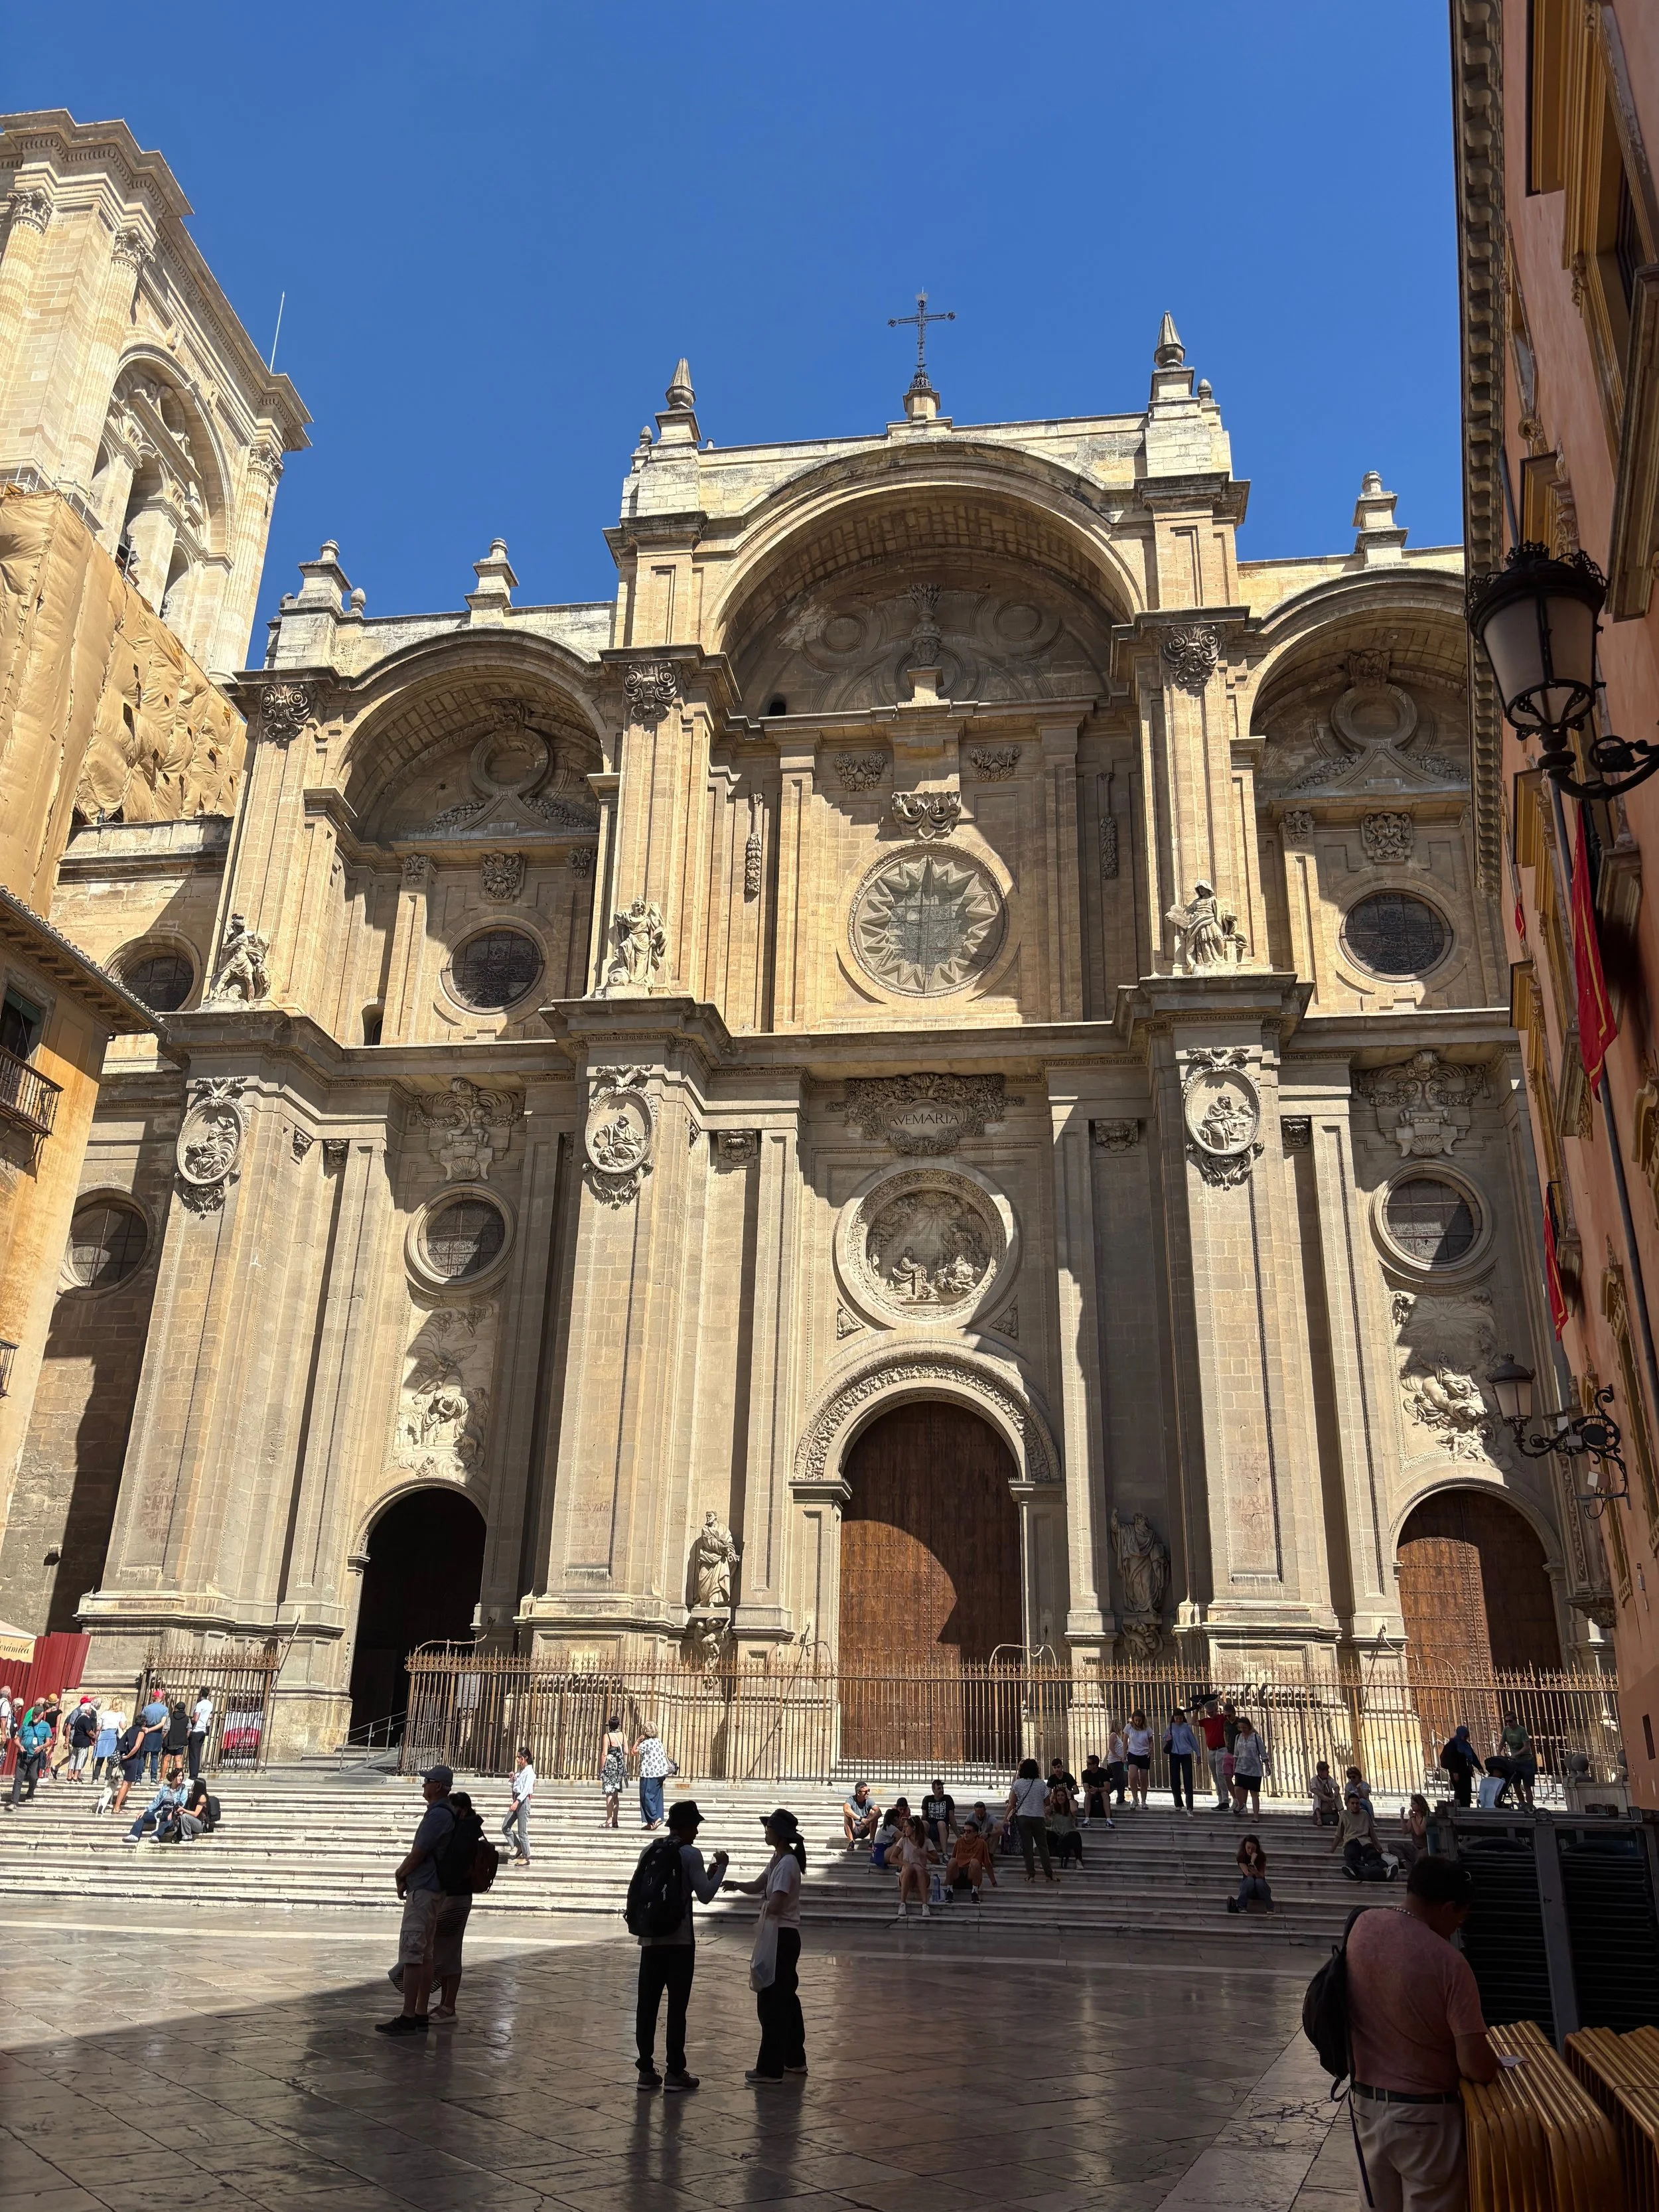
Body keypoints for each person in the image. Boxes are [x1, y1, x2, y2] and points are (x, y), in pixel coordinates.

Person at [1344, 1856, 1498, 2208]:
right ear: (1448, 1908)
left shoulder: (1362, 1927)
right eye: (1461, 1915)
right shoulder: (1449, 1963)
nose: (1460, 1924)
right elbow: (1475, 2065)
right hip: (1424, 2118)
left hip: (1366, 2104)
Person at [634, 1797, 727, 2092]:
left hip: (650, 1941)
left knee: (646, 2006)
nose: (697, 1832)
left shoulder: (650, 1849)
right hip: (679, 1943)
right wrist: (721, 1867)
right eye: (695, 1826)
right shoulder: (690, 1854)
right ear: (685, 1828)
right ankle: (675, 2070)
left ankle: (646, 2069)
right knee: (677, 2008)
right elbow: (706, 1894)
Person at [378, 1763, 470, 2035]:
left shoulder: (438, 1815)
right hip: (434, 1889)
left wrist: (400, 1874)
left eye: (428, 1781)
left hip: (425, 1890)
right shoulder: (444, 1814)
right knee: (425, 1954)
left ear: (439, 1786)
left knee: (413, 1954)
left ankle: (409, 2015)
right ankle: (419, 2012)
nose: (423, 1785)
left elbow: (419, 1853)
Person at [728, 1808, 806, 2085]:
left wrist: (763, 1906)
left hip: (781, 1937)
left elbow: (776, 1902)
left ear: (780, 1834)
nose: (766, 1831)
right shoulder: (777, 1860)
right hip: (779, 1935)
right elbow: (759, 1885)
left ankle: (770, 2067)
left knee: (771, 2002)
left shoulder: (787, 1865)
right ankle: (794, 2058)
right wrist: (736, 1885)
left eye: (769, 1828)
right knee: (786, 1999)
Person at [1007, 1758, 1056, 1883]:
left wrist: (1005, 1818)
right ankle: (1048, 1874)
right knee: (1043, 1846)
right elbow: (1047, 1802)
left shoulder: (1018, 1784)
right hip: (1038, 1817)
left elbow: (1012, 1803)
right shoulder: (1041, 1784)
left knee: (1027, 1847)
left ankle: (1031, 1874)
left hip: (1023, 1817)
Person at [121, 1757, 189, 1842]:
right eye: (179, 1776)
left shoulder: (183, 1789)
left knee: (170, 1821)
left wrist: (172, 1812)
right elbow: (156, 1802)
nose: (181, 1778)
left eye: (182, 1776)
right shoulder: (165, 1788)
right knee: (142, 1817)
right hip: (162, 1811)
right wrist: (145, 1810)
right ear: (174, 1777)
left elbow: (181, 1803)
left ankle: (156, 1835)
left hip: (174, 1813)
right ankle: (134, 1835)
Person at [1333, 1789, 1390, 1881]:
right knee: (1351, 1854)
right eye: (1353, 1803)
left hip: (1365, 1841)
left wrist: (1379, 1848)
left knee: (1372, 1855)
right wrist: (1332, 1850)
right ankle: (1355, 1870)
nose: (1355, 1806)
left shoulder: (1365, 1814)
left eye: (1357, 1803)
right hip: (1351, 1841)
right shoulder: (1344, 1815)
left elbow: (1372, 1833)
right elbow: (1339, 1834)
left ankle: (1384, 1870)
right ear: (1348, 1804)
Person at [945, 1808, 998, 1901]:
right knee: (952, 1861)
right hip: (958, 1875)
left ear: (976, 1833)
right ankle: (949, 1890)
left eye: (969, 1832)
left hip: (972, 1875)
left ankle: (974, 1892)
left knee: (975, 1862)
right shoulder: (959, 1841)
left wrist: (994, 1883)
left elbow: (987, 1864)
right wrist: (947, 1880)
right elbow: (952, 1861)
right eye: (964, 1831)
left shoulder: (981, 1843)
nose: (966, 1834)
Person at [6, 1701, 52, 1806]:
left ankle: (30, 1794)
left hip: (35, 1757)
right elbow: (17, 1739)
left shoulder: (45, 1726)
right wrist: (20, 1746)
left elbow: (49, 1741)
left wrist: (41, 1747)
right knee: (18, 1779)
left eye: (37, 1714)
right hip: (23, 1755)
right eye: (34, 1714)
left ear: (41, 1715)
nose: (35, 1716)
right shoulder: (27, 1724)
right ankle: (14, 1802)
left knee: (33, 1777)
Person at [632, 1726, 674, 1830]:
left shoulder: (646, 1744)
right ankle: (652, 1822)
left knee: (646, 1796)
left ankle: (654, 1818)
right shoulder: (658, 1742)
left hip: (649, 1774)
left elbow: (633, 1752)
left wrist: (638, 1741)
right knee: (657, 1797)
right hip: (660, 1773)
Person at [500, 1745, 535, 1866]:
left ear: (526, 1758)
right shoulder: (521, 1772)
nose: (518, 1760)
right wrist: (512, 1779)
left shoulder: (530, 1773)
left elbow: (526, 1790)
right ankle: (518, 1846)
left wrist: (517, 1802)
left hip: (523, 1802)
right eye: (518, 1757)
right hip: (516, 1799)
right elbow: (515, 1786)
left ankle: (526, 1857)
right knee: (505, 1827)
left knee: (522, 1831)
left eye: (520, 1757)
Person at [111, 1716, 147, 1818]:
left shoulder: (130, 1730)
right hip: (133, 1759)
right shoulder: (141, 1732)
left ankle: (120, 1801)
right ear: (144, 1723)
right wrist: (129, 1755)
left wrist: (124, 1756)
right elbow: (136, 1746)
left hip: (125, 1759)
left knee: (130, 1783)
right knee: (126, 1784)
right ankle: (116, 1807)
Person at [1165, 1706, 1200, 1812]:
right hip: (1174, 1754)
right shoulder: (1170, 1726)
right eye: (1177, 1718)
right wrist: (1167, 1739)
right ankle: (1178, 1803)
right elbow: (1165, 1736)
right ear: (1174, 1718)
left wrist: (1198, 1754)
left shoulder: (1186, 1727)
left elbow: (1193, 1740)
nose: (1179, 1720)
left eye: (1180, 1718)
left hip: (1186, 1755)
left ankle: (1190, 1806)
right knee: (1175, 1780)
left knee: (1188, 1779)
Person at [1228, 1834, 1272, 1915]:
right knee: (1250, 1880)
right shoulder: (1241, 1857)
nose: (1250, 1851)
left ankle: (1270, 1907)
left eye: (1253, 1849)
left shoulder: (1261, 1857)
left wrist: (1256, 1872)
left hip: (1261, 1889)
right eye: (1248, 1848)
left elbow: (1262, 1876)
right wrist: (1252, 1861)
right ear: (1244, 1847)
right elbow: (1247, 1874)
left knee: (1259, 1881)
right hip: (1248, 1888)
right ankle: (1241, 1906)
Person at [1230, 1716, 1265, 1816]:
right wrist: (1234, 1765)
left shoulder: (1255, 1737)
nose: (1242, 1730)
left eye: (1244, 1727)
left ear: (1249, 1727)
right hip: (1241, 1767)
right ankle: (1241, 1804)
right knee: (1237, 1788)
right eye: (1240, 1728)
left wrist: (1267, 1764)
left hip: (1254, 1769)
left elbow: (1263, 1752)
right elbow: (1236, 1753)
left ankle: (1256, 1815)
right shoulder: (1238, 1737)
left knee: (1254, 1793)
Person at [1499, 1716, 1537, 1808]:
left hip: (1526, 1761)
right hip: (1515, 1762)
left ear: (1515, 1720)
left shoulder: (1521, 1730)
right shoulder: (1506, 1730)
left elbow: (1527, 1746)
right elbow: (1502, 1742)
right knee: (1516, 1785)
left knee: (1527, 1786)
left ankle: (1530, 1806)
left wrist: (1516, 1754)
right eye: (1507, 1722)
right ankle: (1522, 1804)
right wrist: (1498, 1752)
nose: (1508, 1723)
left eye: (1510, 1721)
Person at [1045, 1777, 1083, 1866]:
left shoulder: (1071, 1805)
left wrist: (1070, 1798)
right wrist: (1052, 1798)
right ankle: (1046, 1861)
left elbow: (1074, 1811)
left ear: (1066, 1796)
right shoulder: (1054, 1807)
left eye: (1062, 1795)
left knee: (1076, 1835)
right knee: (1046, 1834)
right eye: (1058, 1796)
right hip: (1057, 1836)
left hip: (1067, 1836)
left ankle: (1079, 1861)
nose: (1060, 1798)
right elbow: (1046, 1811)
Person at [1200, 1700, 1230, 1809]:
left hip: (1221, 1750)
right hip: (1211, 1751)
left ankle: (1226, 1800)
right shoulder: (1206, 1721)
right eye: (1208, 1712)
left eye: (1212, 1712)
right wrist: (1198, 1707)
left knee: (1221, 1775)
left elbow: (1228, 1710)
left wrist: (1219, 1700)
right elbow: (1194, 1722)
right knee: (1215, 1777)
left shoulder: (1221, 1718)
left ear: (1216, 1710)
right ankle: (1221, 1800)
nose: (1210, 1714)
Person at [1440, 1726, 1478, 1808]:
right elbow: (1450, 1759)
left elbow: (1472, 1756)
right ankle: (1459, 1808)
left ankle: (1466, 1808)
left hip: (1466, 1772)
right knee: (1460, 1791)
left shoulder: (1466, 1745)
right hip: (1456, 1773)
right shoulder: (1452, 1745)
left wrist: (1480, 1767)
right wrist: (1454, 1772)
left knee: (1467, 1791)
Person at [136, 1688, 168, 1785]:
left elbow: (142, 1721)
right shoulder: (164, 1709)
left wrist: (147, 1729)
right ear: (161, 1698)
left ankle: (138, 1778)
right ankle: (153, 1778)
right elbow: (162, 1723)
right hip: (157, 1733)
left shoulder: (147, 1708)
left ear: (153, 1698)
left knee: (143, 1756)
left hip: (146, 1731)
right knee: (154, 1757)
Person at [600, 1714, 626, 1828]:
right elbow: (626, 1751)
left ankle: (609, 1820)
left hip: (610, 1765)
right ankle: (615, 1820)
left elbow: (604, 1753)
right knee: (615, 1794)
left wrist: (602, 1768)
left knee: (609, 1793)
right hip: (619, 1765)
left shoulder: (607, 1736)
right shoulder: (623, 1735)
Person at [1396, 1795, 1431, 1874]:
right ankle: (1405, 1863)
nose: (1411, 1805)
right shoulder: (1413, 1817)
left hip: (1424, 1849)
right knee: (1393, 1845)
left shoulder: (1426, 1817)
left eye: (1414, 1804)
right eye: (1411, 1804)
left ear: (1420, 1804)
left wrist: (1412, 1817)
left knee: (1421, 1857)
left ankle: (1414, 1868)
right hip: (1414, 1848)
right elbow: (1405, 1831)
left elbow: (1419, 1832)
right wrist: (1402, 1816)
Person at [870, 1798, 908, 1871]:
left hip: (878, 1854)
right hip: (881, 1855)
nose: (900, 1819)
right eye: (898, 1818)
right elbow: (904, 1837)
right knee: (901, 1844)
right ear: (895, 1818)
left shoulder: (887, 1827)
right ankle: (901, 1868)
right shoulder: (890, 1827)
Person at [1125, 1711, 1153, 1807]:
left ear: (1143, 1720)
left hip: (1144, 1754)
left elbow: (1151, 1741)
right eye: (1136, 1720)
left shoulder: (1148, 1729)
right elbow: (1125, 1741)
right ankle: (1135, 1798)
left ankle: (1144, 1801)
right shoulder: (1129, 1727)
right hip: (1132, 1754)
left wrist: (1150, 1749)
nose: (1138, 1722)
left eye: (1139, 1720)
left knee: (1144, 1778)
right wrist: (1123, 1754)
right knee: (1133, 1776)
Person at [93, 1699, 125, 1783]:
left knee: (100, 1758)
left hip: (103, 1735)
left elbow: (98, 1728)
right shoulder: (121, 1714)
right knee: (111, 1759)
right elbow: (122, 1726)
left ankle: (95, 1779)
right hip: (114, 1735)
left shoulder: (105, 1713)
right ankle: (107, 1779)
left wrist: (96, 1739)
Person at [921, 1778, 956, 1855]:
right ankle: (924, 1850)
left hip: (942, 1828)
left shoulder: (948, 1799)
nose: (942, 1791)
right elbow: (924, 1816)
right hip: (930, 1829)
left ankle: (945, 1854)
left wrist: (958, 1836)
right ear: (933, 1790)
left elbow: (952, 1819)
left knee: (941, 1823)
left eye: (942, 1788)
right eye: (939, 1789)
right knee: (923, 1823)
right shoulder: (927, 1799)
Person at [187, 1686, 214, 1781]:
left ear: (201, 1694)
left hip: (196, 1730)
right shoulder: (210, 1704)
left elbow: (195, 1718)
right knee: (197, 1753)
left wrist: (190, 1720)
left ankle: (193, 1776)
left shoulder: (200, 1704)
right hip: (203, 1730)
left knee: (193, 1754)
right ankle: (195, 1773)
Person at [842, 1781, 879, 1848]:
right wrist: (861, 1819)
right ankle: (851, 1842)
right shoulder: (851, 1800)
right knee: (847, 1815)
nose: (868, 1793)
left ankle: (871, 1842)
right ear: (858, 1793)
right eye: (865, 1792)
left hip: (864, 1829)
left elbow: (879, 1812)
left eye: (869, 1791)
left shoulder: (869, 1800)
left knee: (874, 1813)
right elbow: (846, 1809)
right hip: (853, 1829)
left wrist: (869, 1820)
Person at [1080, 1753, 1113, 1826]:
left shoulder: (1104, 1772)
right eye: (1087, 1763)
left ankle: (1108, 1820)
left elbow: (1107, 1788)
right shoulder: (1085, 1773)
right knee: (1088, 1794)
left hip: (1101, 1792)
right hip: (1091, 1793)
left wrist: (1097, 1789)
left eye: (1089, 1764)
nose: (1087, 1765)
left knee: (1105, 1794)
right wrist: (1092, 1791)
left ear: (1095, 1765)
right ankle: (1087, 1819)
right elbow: (1086, 1788)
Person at [1106, 1718, 1129, 1807]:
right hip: (1115, 1761)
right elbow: (1111, 1748)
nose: (1121, 1726)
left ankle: (1121, 1798)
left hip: (1119, 1761)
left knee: (1121, 1780)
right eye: (1119, 1724)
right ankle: (1106, 1791)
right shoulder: (1113, 1735)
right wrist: (1118, 1756)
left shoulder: (1118, 1736)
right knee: (1117, 1780)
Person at [1311, 1761, 1341, 1826]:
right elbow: (1314, 1790)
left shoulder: (1330, 1779)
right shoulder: (1314, 1780)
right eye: (1326, 1770)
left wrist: (1334, 1796)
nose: (1328, 1772)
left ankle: (1342, 1815)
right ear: (1320, 1772)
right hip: (1321, 1802)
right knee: (1317, 1796)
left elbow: (1336, 1787)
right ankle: (1319, 1818)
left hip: (1330, 1801)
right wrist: (1325, 1798)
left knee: (1338, 1796)